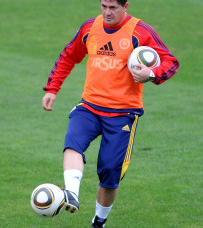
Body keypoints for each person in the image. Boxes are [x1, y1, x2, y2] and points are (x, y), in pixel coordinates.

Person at [41, 0, 179, 227]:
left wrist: (152, 74)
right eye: (103, 6)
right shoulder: (89, 28)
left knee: (109, 173)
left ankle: (99, 221)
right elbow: (68, 55)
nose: (107, 12)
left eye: (113, 8)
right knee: (72, 142)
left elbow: (171, 62)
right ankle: (71, 194)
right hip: (89, 106)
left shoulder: (140, 31)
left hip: (123, 114)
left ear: (126, 5)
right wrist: (53, 88)